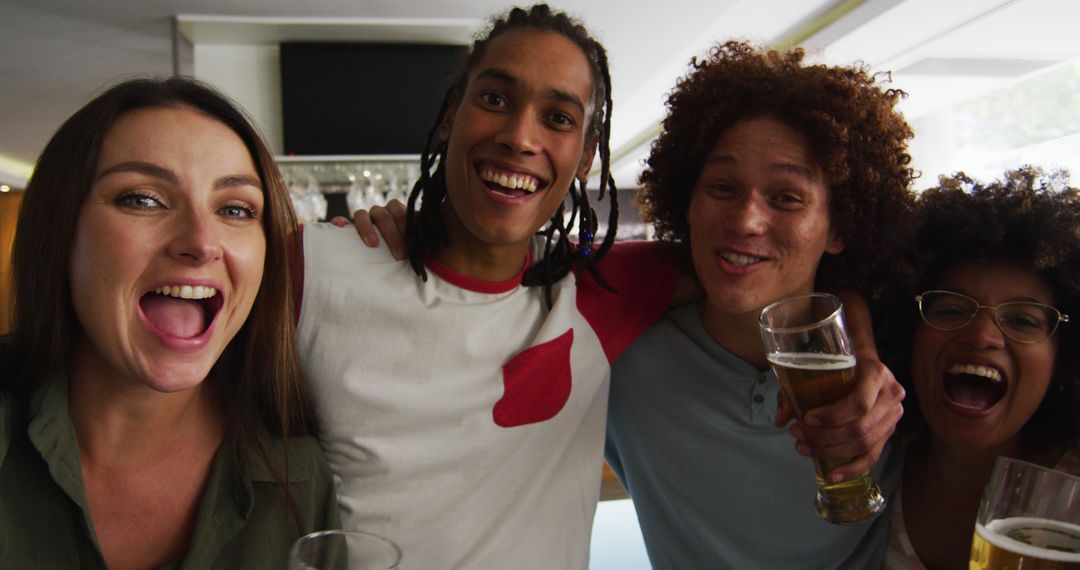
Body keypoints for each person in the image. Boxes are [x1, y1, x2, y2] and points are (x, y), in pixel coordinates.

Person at [0, 77, 339, 569]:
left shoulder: (300, 480)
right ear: (61, 231)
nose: (201, 242)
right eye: (143, 199)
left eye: (235, 209)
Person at [603, 41, 915, 568]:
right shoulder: (619, 360)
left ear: (839, 228)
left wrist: (862, 346)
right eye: (722, 187)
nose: (746, 220)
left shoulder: (900, 369)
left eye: (787, 197)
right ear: (688, 204)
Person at [882, 168, 1080, 569]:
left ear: (1062, 359)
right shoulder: (871, 466)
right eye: (952, 310)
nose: (981, 336)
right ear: (909, 334)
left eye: (1022, 320)